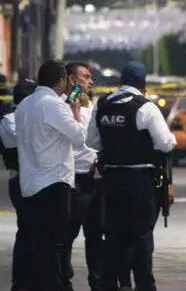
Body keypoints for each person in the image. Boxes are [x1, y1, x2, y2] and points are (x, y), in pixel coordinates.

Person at [86, 61, 176, 291]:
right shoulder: (145, 107)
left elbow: (91, 141)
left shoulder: (103, 104)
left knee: (114, 235)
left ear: (121, 80)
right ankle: (144, 285)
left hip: (112, 179)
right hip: (140, 180)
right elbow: (166, 144)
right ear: (143, 83)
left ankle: (108, 284)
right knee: (142, 237)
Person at [16, 60, 87, 291]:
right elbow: (78, 136)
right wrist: (76, 111)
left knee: (36, 243)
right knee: (54, 244)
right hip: (53, 182)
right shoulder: (53, 104)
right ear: (61, 81)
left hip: (29, 183)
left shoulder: (25, 105)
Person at [60, 61, 104, 291]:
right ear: (70, 79)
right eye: (85, 77)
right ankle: (63, 280)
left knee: (96, 236)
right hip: (71, 180)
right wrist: (74, 103)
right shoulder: (63, 107)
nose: (91, 81)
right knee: (67, 236)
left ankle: (98, 282)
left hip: (93, 180)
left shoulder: (93, 106)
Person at [1, 79, 36, 291]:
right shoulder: (11, 121)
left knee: (30, 232)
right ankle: (22, 282)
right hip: (23, 178)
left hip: (27, 178)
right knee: (28, 232)